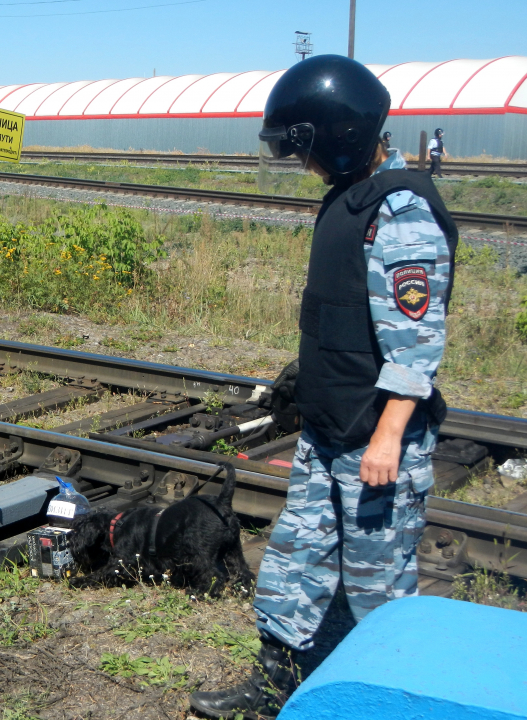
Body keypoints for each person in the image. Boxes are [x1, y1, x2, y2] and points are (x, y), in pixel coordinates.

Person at [189, 55, 458, 719]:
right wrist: (301, 381)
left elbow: (414, 346)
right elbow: (342, 319)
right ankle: (278, 686)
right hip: (327, 431)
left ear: (338, 136)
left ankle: (386, 703)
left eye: (303, 150)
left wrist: (389, 437)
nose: (300, 164)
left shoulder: (400, 214)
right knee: (293, 565)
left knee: (377, 589)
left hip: (375, 442)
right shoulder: (347, 201)